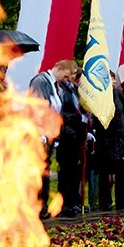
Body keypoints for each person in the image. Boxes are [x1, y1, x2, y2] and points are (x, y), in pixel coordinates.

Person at [28, 59, 78, 218]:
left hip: (50, 136)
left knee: (45, 171)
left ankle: (42, 206)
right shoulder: (41, 81)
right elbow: (37, 106)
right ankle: (37, 206)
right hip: (39, 134)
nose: (67, 79)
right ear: (58, 68)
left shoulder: (56, 85)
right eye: (66, 75)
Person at [93, 71, 124, 211]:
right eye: (111, 79)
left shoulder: (118, 94)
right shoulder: (100, 95)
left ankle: (121, 200)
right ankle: (105, 201)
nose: (114, 81)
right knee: (105, 172)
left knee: (120, 170)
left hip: (121, 138)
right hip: (107, 138)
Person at [56, 66, 88, 217]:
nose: (74, 77)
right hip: (66, 134)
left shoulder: (73, 90)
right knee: (66, 171)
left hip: (76, 133)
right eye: (72, 73)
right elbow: (62, 112)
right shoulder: (61, 89)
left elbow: (79, 108)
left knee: (75, 171)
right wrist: (77, 118)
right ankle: (64, 203)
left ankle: (74, 201)